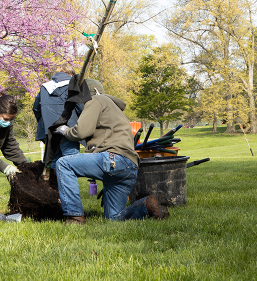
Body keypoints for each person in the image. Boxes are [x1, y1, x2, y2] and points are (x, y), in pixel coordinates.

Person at [54, 80, 170, 224]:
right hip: (129, 166)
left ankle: (75, 217)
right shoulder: (115, 109)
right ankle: (149, 203)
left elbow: (81, 131)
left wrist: (65, 131)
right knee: (114, 219)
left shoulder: (95, 100)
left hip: (113, 159)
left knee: (64, 164)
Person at [33, 69, 84, 166]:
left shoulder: (44, 87)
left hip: (49, 131)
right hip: (68, 128)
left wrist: (46, 123)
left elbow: (36, 109)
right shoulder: (73, 86)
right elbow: (81, 109)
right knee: (71, 162)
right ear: (71, 75)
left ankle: (55, 181)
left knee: (54, 162)